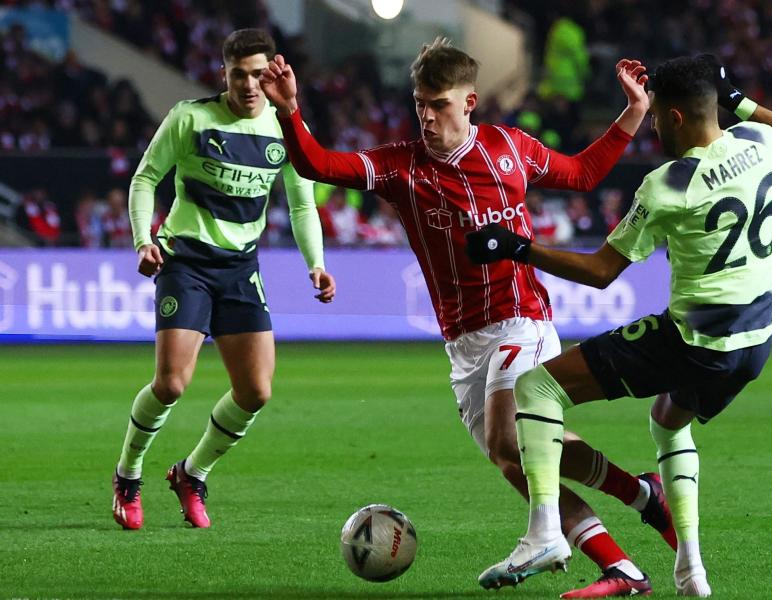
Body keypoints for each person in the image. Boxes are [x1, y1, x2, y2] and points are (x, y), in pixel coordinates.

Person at [260, 38, 674, 598]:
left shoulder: (510, 148)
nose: (427, 117)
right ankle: (629, 543)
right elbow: (317, 163)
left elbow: (579, 174)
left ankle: (546, 535)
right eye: (420, 105)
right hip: (462, 343)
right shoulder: (400, 167)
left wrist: (633, 113)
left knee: (512, 442)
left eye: (439, 104)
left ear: (470, 102)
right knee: (517, 458)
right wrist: (290, 110)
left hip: (520, 320)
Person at [467, 54, 772, 597]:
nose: (652, 127)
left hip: (694, 340)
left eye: (656, 118)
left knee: (538, 387)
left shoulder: (667, 185)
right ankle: (690, 570)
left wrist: (520, 248)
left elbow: (603, 271)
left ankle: (545, 531)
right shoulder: (760, 143)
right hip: (757, 342)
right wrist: (736, 95)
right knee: (668, 421)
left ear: (674, 117)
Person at [111, 28, 335, 531]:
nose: (250, 85)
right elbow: (145, 178)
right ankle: (128, 475)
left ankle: (192, 473)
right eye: (239, 75)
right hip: (184, 261)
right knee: (171, 383)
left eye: (258, 74)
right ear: (224, 74)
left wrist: (315, 263)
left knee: (256, 391)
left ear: (272, 73)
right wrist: (141, 241)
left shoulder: (284, 127)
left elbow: (301, 203)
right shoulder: (191, 117)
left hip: (239, 268)